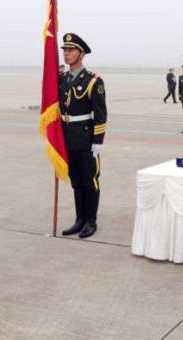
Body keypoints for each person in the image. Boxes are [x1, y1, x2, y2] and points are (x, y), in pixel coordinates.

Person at [59, 33, 107, 239]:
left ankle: (90, 221)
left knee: (89, 181)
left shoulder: (93, 81)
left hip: (86, 138)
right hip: (67, 138)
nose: (66, 54)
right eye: (64, 50)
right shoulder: (62, 79)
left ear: (81, 54)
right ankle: (79, 220)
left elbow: (101, 113)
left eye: (70, 50)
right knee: (76, 181)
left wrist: (97, 141)